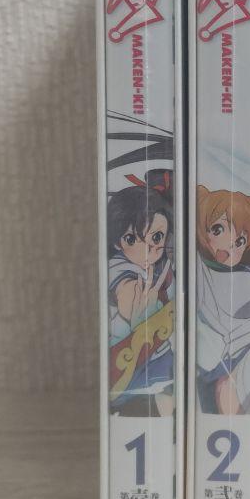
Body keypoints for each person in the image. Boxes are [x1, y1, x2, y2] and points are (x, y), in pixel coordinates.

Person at [106, 173, 174, 416]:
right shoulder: (121, 268)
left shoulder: (160, 267)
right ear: (118, 242)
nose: (148, 250)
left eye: (156, 237)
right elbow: (125, 290)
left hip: (159, 357)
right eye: (132, 238)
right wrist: (134, 306)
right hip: (132, 365)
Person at [194, 186, 250, 415]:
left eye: (240, 240)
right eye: (218, 229)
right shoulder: (199, 267)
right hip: (210, 364)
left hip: (244, 359)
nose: (229, 244)